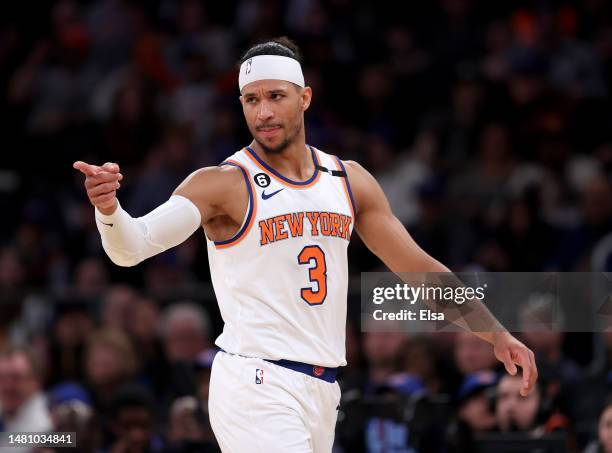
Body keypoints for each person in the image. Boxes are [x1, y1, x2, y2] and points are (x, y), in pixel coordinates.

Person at [74, 36, 538, 452]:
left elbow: (418, 267)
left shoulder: (347, 179)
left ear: (305, 97)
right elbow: (131, 248)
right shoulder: (223, 183)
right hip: (256, 383)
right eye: (251, 100)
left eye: (275, 96)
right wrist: (109, 210)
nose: (264, 112)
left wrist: (494, 333)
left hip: (322, 387)